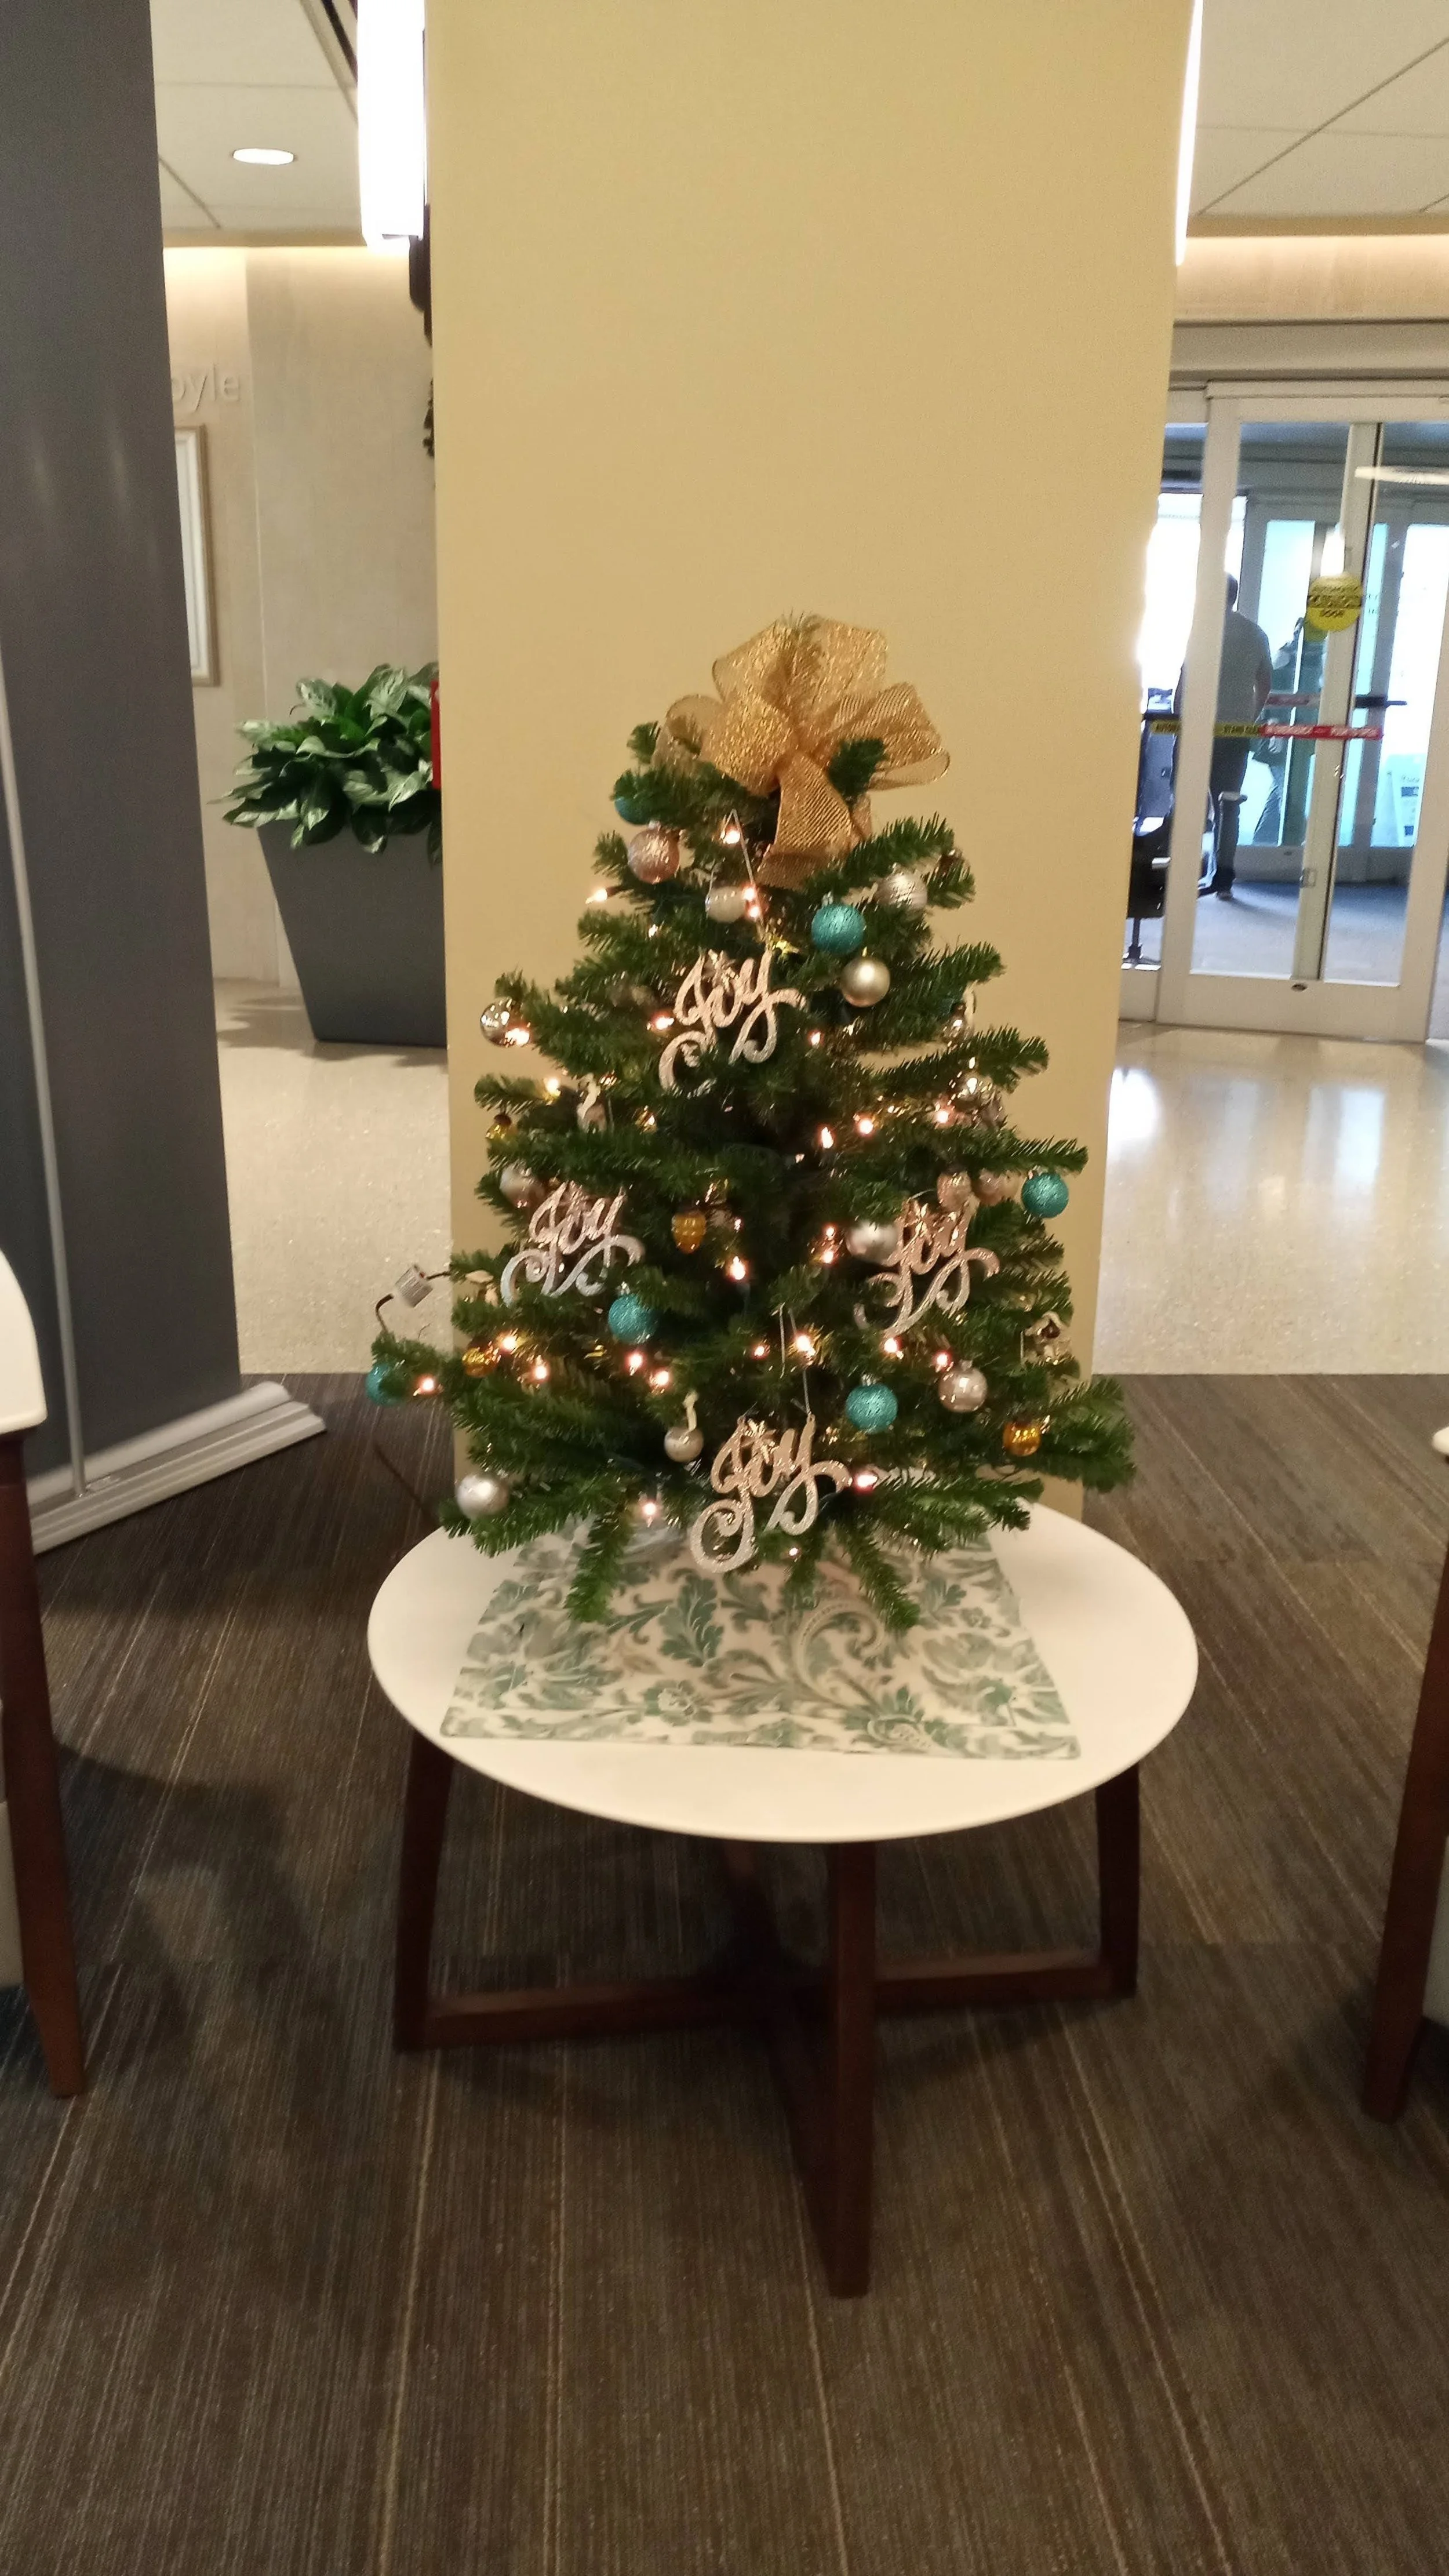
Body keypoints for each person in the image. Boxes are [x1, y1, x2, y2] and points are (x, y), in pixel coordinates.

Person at [1175, 574, 1273, 898]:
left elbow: (1186, 677)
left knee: (1189, 802)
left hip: (1198, 729)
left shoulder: (1201, 630)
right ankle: (1225, 878)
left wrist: (1178, 720)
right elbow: (1265, 685)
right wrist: (1249, 719)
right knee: (1228, 803)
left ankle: (1183, 871)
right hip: (1235, 731)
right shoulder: (1256, 633)